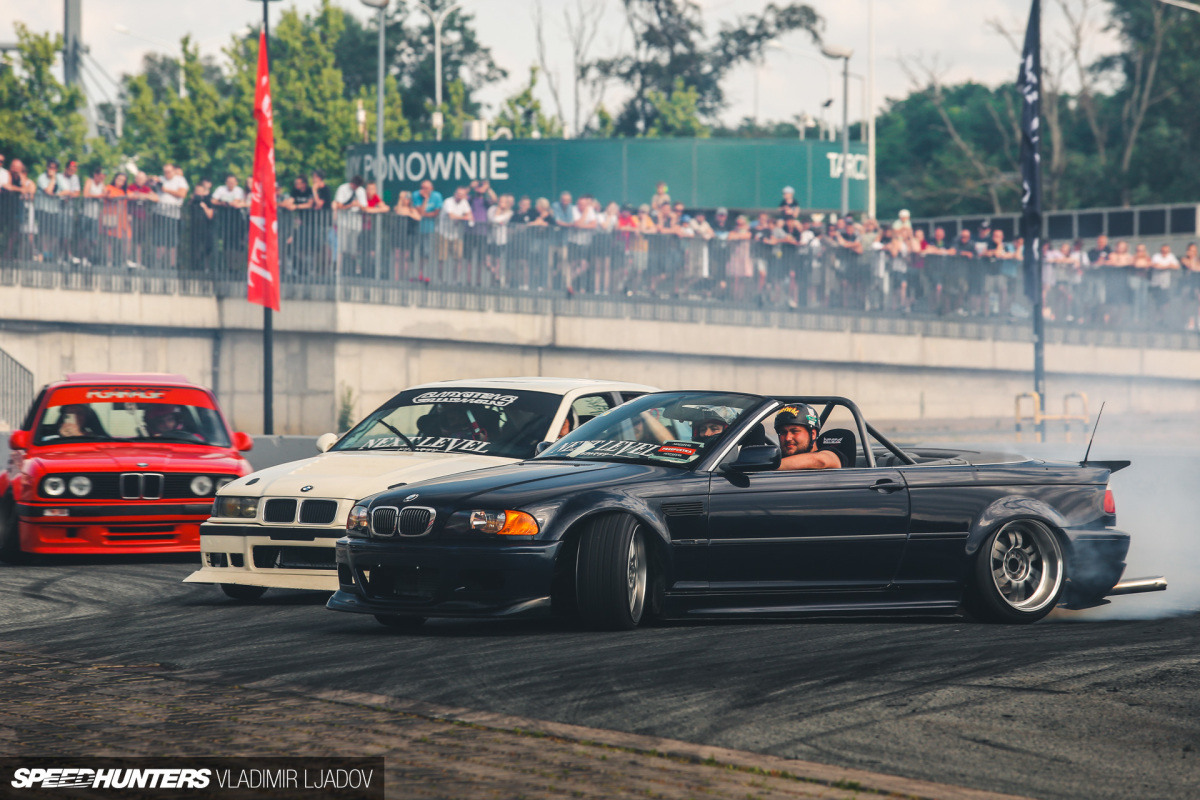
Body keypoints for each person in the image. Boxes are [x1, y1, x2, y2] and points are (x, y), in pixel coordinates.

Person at [774, 405, 841, 470]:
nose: (787, 438)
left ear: (813, 434)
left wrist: (771, 466)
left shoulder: (829, 454)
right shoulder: (776, 458)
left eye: (795, 431)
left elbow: (821, 461)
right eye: (783, 432)